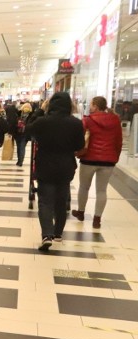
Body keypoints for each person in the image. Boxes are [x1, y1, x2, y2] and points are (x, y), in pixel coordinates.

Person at [26, 92, 84, 251]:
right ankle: (58, 233)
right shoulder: (76, 123)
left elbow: (27, 129)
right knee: (61, 200)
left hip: (45, 164)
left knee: (45, 201)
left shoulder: (43, 122)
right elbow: (80, 146)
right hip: (66, 166)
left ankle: (46, 234)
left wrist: (39, 112)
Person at [72, 96, 122, 229]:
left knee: (84, 187)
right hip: (108, 160)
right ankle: (97, 219)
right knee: (101, 190)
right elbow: (118, 141)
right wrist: (115, 157)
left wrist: (77, 151)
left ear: (95, 106)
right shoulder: (115, 120)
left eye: (91, 104)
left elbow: (80, 138)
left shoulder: (87, 120)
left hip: (89, 159)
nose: (90, 106)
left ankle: (81, 212)